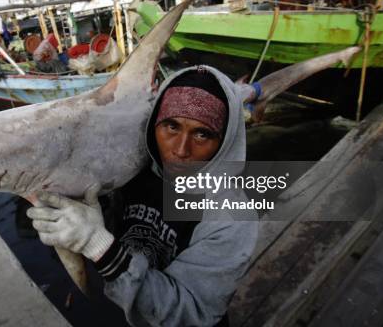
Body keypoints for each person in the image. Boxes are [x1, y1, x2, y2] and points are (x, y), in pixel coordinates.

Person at [27, 66, 258, 326]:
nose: (181, 150)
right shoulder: (135, 169)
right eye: (171, 126)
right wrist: (73, 219)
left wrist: (98, 245)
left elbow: (192, 313)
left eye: (202, 134)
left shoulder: (232, 217)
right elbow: (113, 221)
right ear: (154, 125)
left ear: (225, 140)